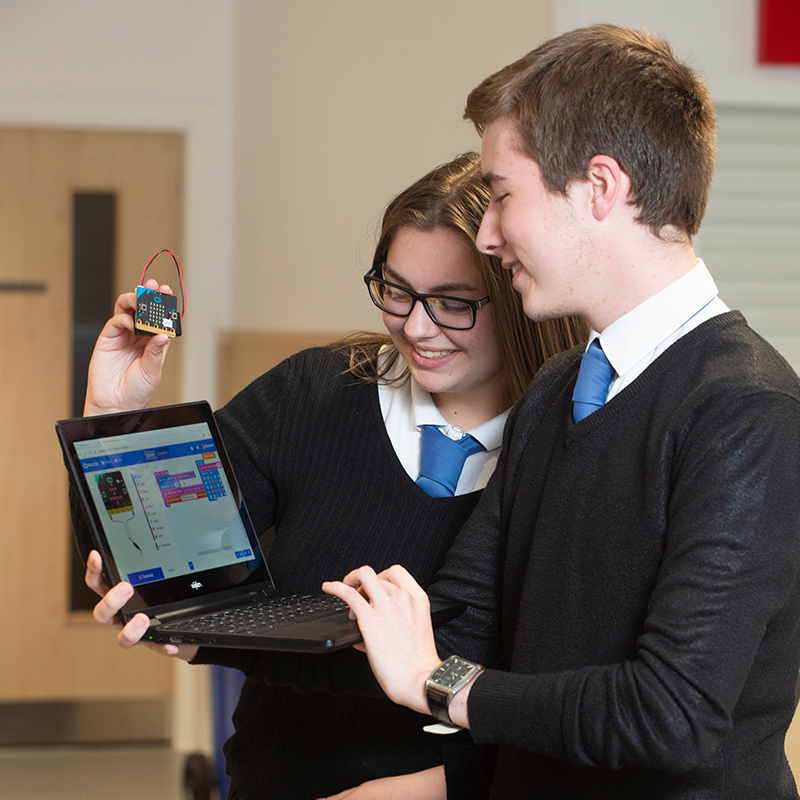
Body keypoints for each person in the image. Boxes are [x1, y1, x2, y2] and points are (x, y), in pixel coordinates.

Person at [322, 25, 800, 799]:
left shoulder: (748, 410)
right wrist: (208, 629)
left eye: (504, 194)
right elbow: (459, 628)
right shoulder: (560, 385)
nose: (486, 234)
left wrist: (443, 687)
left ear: (600, 187)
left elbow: (670, 713)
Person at [74, 152, 586, 799]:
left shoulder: (568, 455)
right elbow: (158, 569)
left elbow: (563, 699)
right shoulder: (313, 393)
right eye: (396, 291)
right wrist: (113, 415)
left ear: (518, 292)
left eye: (453, 304)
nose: (416, 326)